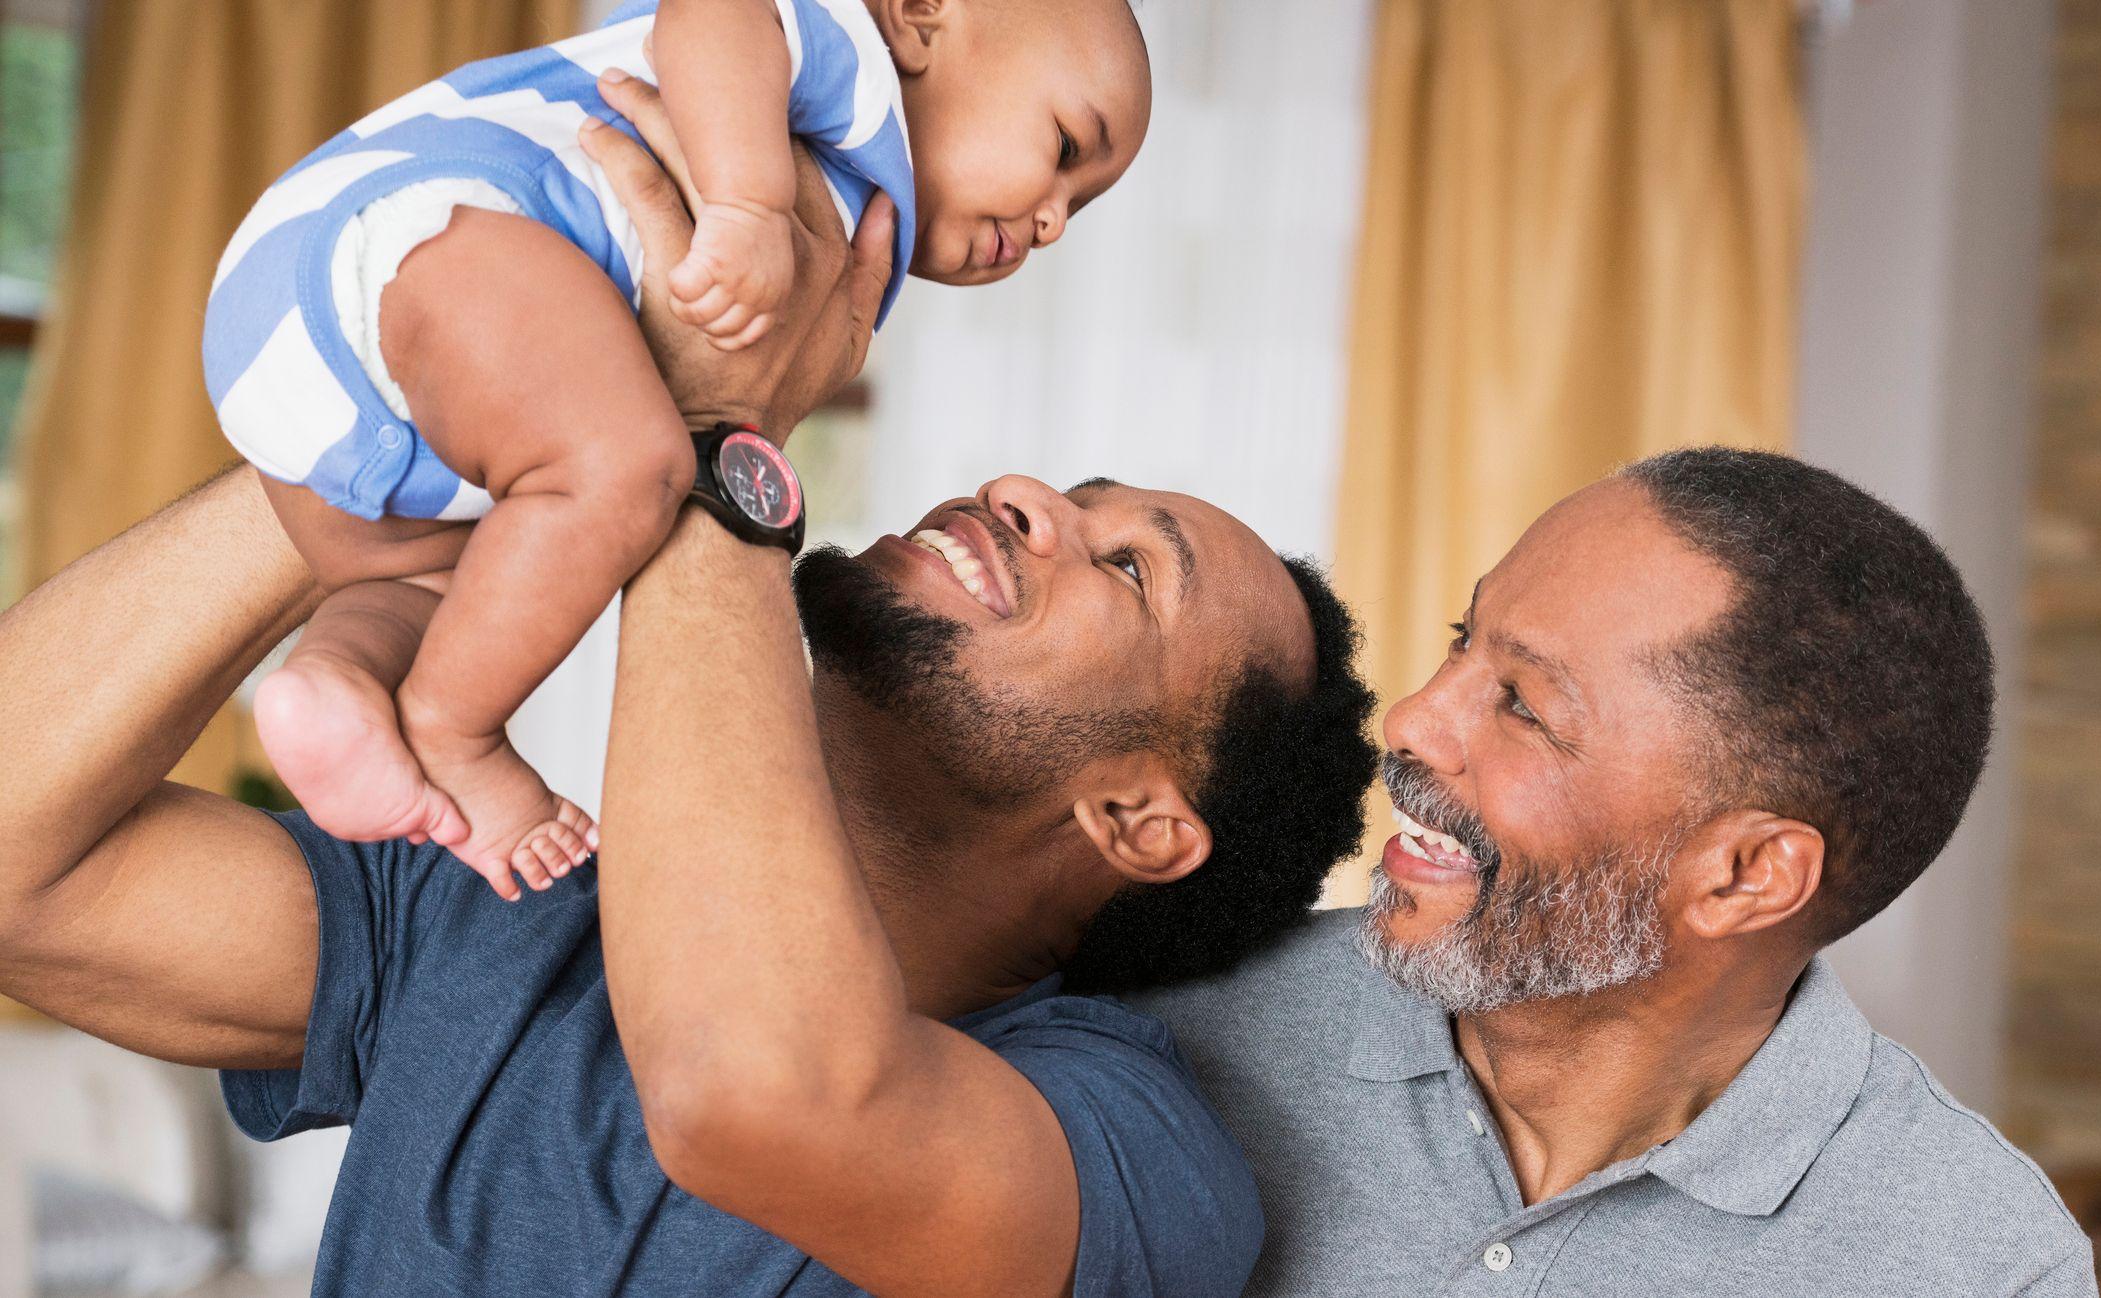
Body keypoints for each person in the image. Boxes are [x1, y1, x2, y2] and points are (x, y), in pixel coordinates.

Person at [0, 83, 1377, 1298]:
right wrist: (405, 417)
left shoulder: (1131, 1150)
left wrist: (718, 442)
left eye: (1132, 570)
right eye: (1075, 495)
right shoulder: (494, 915)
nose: (1026, 497)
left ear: (1140, 820)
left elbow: (752, 1092)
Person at [200, 0, 1154, 893]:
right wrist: (746, 207)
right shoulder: (843, 48)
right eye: (1067, 146)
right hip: (429, 225)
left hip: (349, 370)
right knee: (629, 473)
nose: (1053, 220)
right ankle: (457, 733)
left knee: (437, 581)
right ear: (919, 12)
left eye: (1085, 204)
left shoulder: (857, 177)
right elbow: (710, 15)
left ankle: (336, 684)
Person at [1132, 448, 2099, 1296]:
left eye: (1524, 707)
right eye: (1462, 641)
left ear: (1745, 876)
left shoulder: (1981, 1266)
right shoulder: (1168, 1033)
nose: (1413, 721)